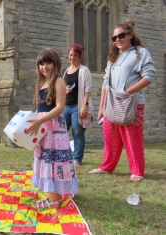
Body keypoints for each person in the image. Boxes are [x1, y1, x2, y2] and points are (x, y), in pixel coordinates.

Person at [88, 20, 156, 182]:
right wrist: (101, 108)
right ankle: (106, 167)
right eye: (114, 37)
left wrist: (128, 91)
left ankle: (137, 172)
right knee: (110, 137)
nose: (117, 39)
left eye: (121, 35)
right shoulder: (113, 58)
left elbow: (149, 76)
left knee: (133, 138)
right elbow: (105, 83)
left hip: (131, 102)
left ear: (130, 35)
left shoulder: (140, 53)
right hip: (111, 102)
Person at [26, 48, 78, 209]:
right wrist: (32, 120)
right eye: (41, 64)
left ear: (55, 64)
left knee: (54, 162)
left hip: (54, 128)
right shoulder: (42, 83)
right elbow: (40, 107)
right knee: (46, 161)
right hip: (42, 128)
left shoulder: (58, 81)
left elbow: (60, 108)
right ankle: (52, 196)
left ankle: (54, 200)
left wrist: (41, 121)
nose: (45, 67)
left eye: (48, 63)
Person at [62, 44, 93, 166]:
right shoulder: (64, 71)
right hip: (65, 106)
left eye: (75, 55)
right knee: (61, 131)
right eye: (70, 55)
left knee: (77, 133)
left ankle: (77, 159)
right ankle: (63, 155)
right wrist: (64, 89)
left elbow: (88, 89)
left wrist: (85, 105)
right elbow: (60, 87)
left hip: (77, 106)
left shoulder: (84, 70)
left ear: (80, 56)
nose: (72, 57)